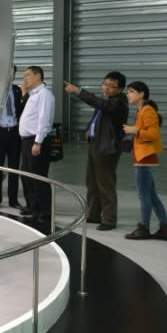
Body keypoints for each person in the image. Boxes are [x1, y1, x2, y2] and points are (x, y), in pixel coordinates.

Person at [64, 71, 128, 231]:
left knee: (105, 184)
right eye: (105, 84)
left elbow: (101, 106)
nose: (106, 88)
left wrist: (78, 91)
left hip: (107, 147)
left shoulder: (119, 102)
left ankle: (109, 219)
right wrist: (88, 130)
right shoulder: (106, 100)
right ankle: (93, 214)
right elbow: (97, 117)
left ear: (120, 89)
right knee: (91, 182)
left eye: (111, 86)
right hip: (96, 144)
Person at [121, 81, 167, 241]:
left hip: (145, 159)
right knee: (152, 196)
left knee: (144, 196)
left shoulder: (147, 111)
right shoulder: (142, 110)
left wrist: (134, 130)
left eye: (131, 91)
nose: (128, 94)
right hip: (143, 157)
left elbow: (153, 135)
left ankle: (143, 227)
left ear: (141, 94)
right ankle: (165, 228)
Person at [18, 66, 55, 222]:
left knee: (38, 177)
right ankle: (33, 206)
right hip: (26, 141)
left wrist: (38, 141)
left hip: (36, 140)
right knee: (27, 175)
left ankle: (45, 211)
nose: (25, 79)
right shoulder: (32, 95)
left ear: (38, 76)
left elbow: (44, 118)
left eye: (28, 75)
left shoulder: (44, 95)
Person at [0, 65, 26, 211]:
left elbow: (20, 111)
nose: (10, 75)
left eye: (13, 73)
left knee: (14, 169)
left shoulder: (17, 90)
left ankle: (13, 199)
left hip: (14, 134)